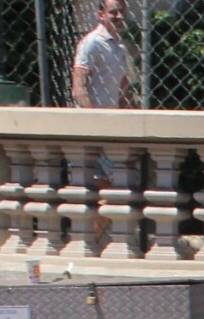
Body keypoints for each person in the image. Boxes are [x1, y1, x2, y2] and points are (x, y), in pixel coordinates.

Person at [71, 0, 133, 248]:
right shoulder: (91, 42)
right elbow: (78, 86)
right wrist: (93, 121)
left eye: (122, 12)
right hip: (94, 131)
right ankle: (86, 243)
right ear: (101, 14)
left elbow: (125, 91)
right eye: (113, 12)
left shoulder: (120, 47)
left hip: (113, 131)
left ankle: (91, 242)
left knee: (112, 191)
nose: (118, 16)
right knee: (107, 191)